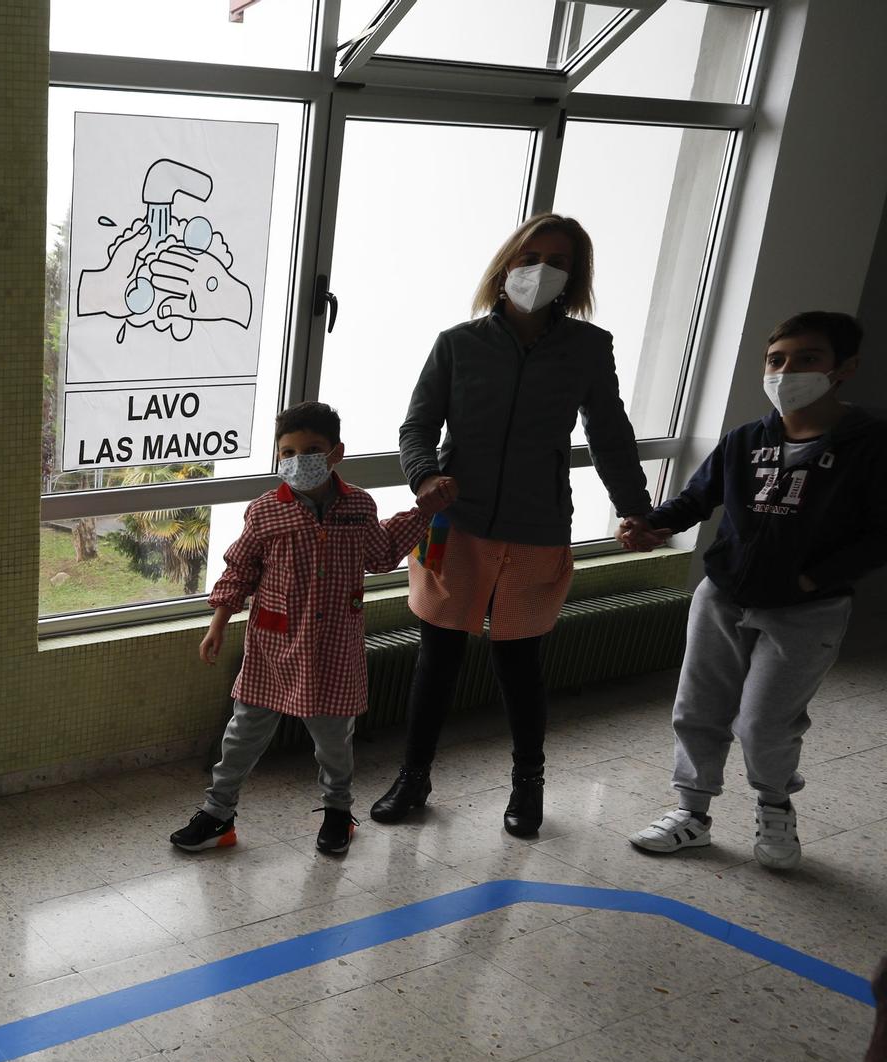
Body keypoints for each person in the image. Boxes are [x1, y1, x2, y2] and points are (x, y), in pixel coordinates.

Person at [370, 213, 651, 837]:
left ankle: (529, 787)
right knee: (437, 658)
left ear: (574, 278)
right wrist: (423, 480)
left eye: (559, 262)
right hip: (456, 525)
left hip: (537, 525)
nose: (541, 272)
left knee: (519, 662)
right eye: (530, 258)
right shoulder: (458, 343)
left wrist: (634, 505)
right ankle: (413, 778)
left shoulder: (587, 348)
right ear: (505, 265)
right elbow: (417, 427)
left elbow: (609, 434)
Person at [622, 312, 885, 870]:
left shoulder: (871, 444)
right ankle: (691, 814)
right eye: (777, 360)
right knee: (698, 707)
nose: (787, 371)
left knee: (765, 721)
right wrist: (652, 524)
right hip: (723, 596)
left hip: (808, 610)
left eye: (807, 359)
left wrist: (815, 578)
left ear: (845, 369)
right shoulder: (747, 439)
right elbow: (697, 497)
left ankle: (774, 805)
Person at [171, 402, 451, 857]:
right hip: (273, 648)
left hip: (334, 647)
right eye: (289, 452)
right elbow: (239, 568)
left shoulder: (359, 506)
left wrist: (423, 511)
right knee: (241, 736)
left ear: (336, 453)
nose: (300, 460)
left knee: (333, 743)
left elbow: (380, 556)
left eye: (312, 449)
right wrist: (218, 622)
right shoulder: (265, 511)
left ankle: (339, 812)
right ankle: (218, 814)